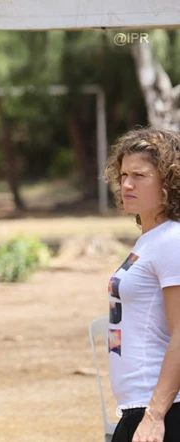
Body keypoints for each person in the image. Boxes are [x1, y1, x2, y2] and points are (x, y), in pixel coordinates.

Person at [103, 127, 180, 442]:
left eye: (140, 175)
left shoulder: (172, 240)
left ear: (169, 181)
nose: (127, 184)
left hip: (162, 411)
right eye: (123, 175)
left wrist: (155, 414)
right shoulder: (150, 240)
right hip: (136, 407)